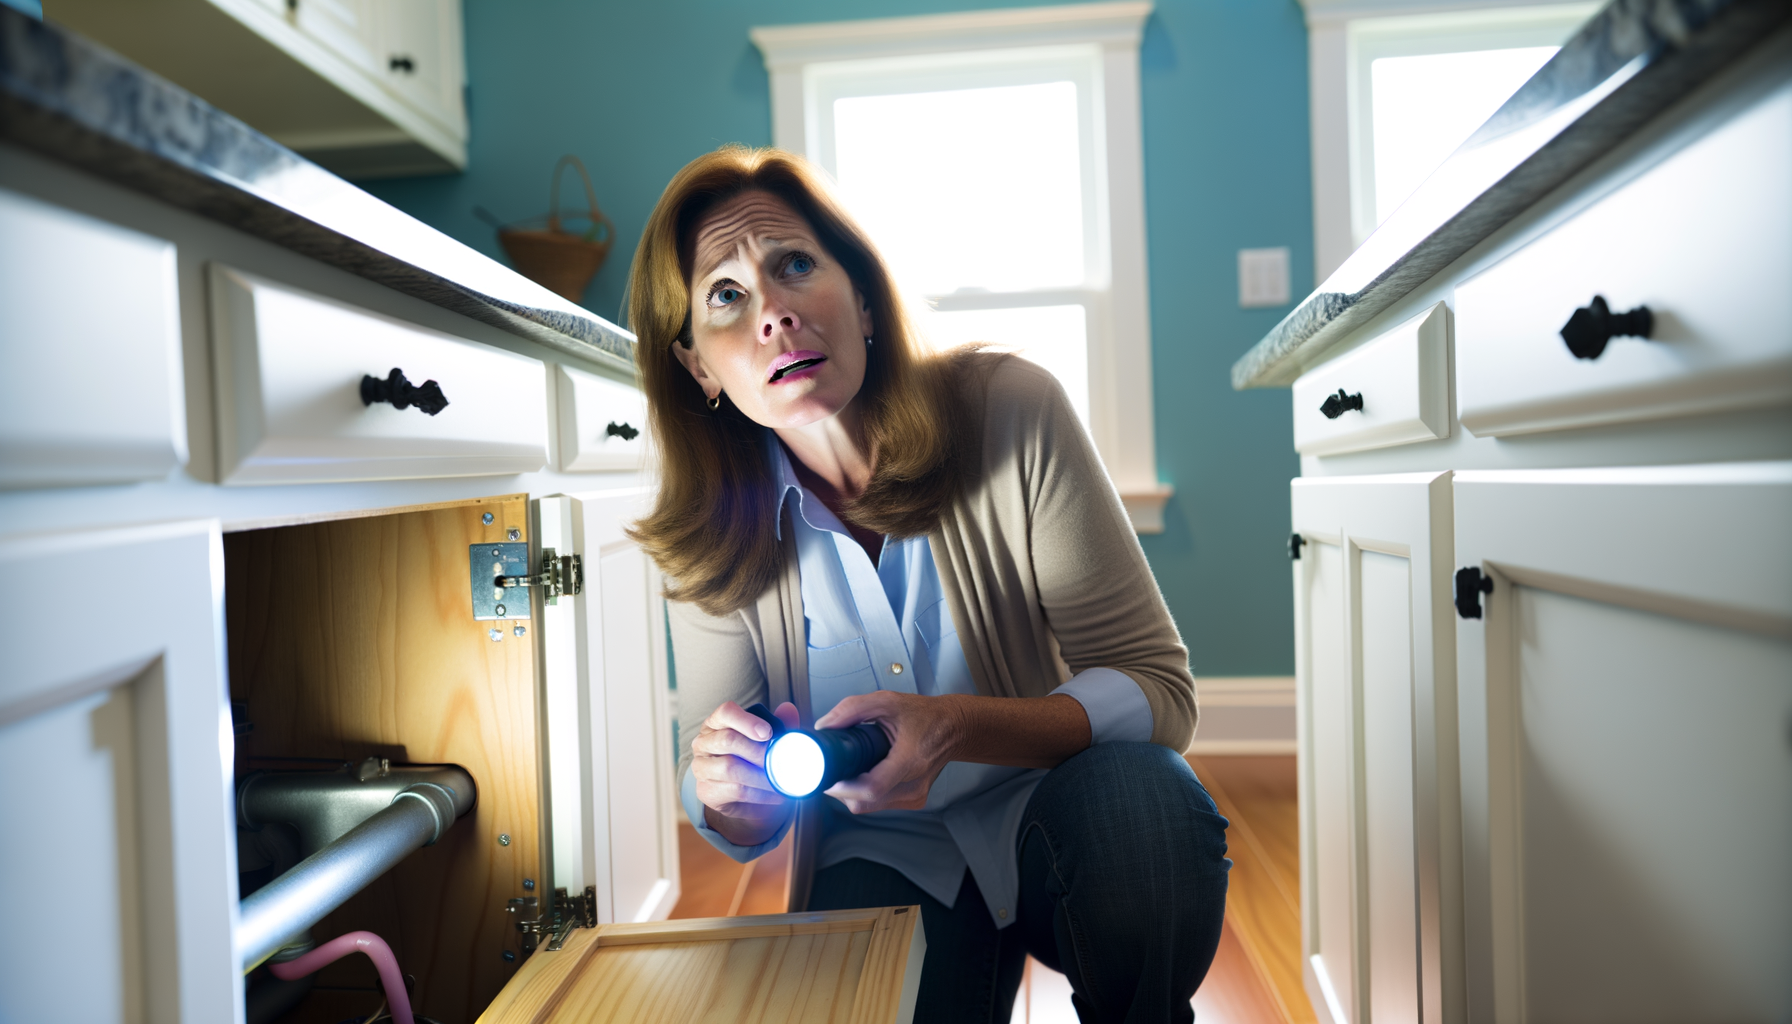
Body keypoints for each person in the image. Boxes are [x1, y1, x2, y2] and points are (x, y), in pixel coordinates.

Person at [626, 144, 1230, 1023]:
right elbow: (734, 806)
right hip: (879, 848)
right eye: (726, 295)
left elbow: (1160, 691)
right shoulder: (707, 528)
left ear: (864, 300)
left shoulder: (1011, 411)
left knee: (1147, 812)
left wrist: (957, 727)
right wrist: (725, 790)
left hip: (1056, 806)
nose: (776, 314)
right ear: (699, 367)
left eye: (795, 265)